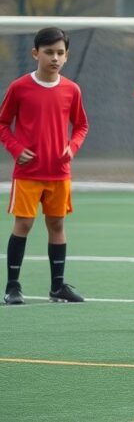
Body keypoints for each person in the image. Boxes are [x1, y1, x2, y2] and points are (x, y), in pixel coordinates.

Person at [1, 27, 88, 305]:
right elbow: (3, 124)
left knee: (57, 224)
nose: (55, 58)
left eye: (60, 53)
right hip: (27, 173)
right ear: (35, 53)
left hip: (59, 173)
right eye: (49, 52)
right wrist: (15, 149)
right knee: (24, 224)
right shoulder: (19, 87)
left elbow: (81, 126)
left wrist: (71, 148)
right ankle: (12, 286)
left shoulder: (71, 90)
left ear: (67, 56)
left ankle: (57, 287)